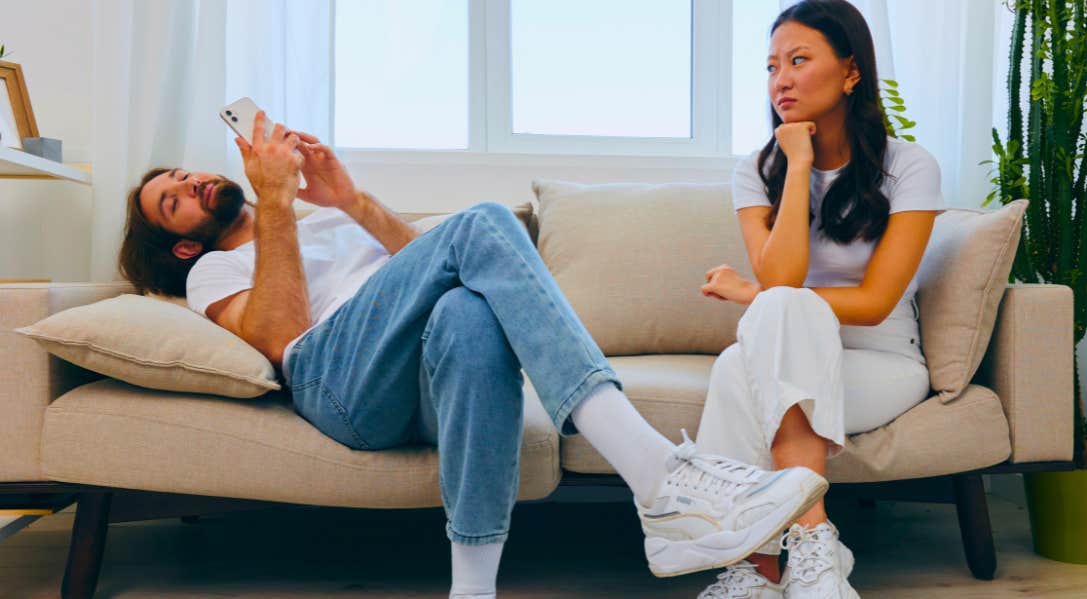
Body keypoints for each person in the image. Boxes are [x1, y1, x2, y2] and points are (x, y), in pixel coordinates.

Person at [117, 111, 830, 599]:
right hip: (338, 386)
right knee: (481, 221)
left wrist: (349, 199)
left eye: (181, 176)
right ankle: (657, 475)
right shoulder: (214, 271)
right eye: (172, 202)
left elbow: (429, 260)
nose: (189, 185)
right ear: (182, 243)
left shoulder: (325, 216)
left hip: (415, 377)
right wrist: (275, 203)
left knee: (466, 311)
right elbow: (282, 336)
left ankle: (473, 587)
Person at [693, 1, 945, 598]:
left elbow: (878, 301)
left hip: (880, 364)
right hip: (786, 348)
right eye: (772, 65)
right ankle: (806, 553)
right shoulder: (758, 171)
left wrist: (752, 294)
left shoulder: (908, 167)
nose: (781, 78)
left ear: (851, 71)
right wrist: (799, 163)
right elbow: (783, 279)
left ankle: (756, 565)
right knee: (743, 356)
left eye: (799, 60)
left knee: (757, 339)